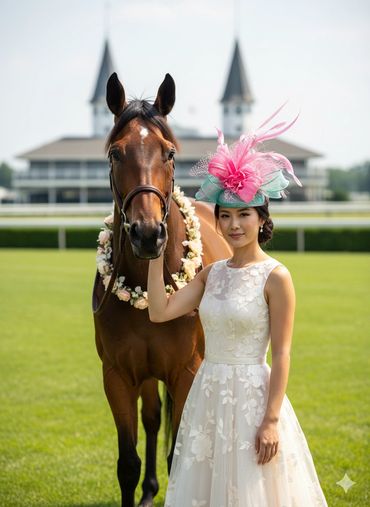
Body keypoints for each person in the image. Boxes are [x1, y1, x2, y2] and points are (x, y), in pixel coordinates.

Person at [147, 106, 328, 506]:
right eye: (225, 216)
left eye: (244, 215)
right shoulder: (211, 274)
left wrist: (271, 420)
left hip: (253, 399)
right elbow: (159, 311)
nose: (233, 225)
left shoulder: (276, 277)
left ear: (262, 219)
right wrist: (155, 256)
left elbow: (281, 353)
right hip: (208, 395)